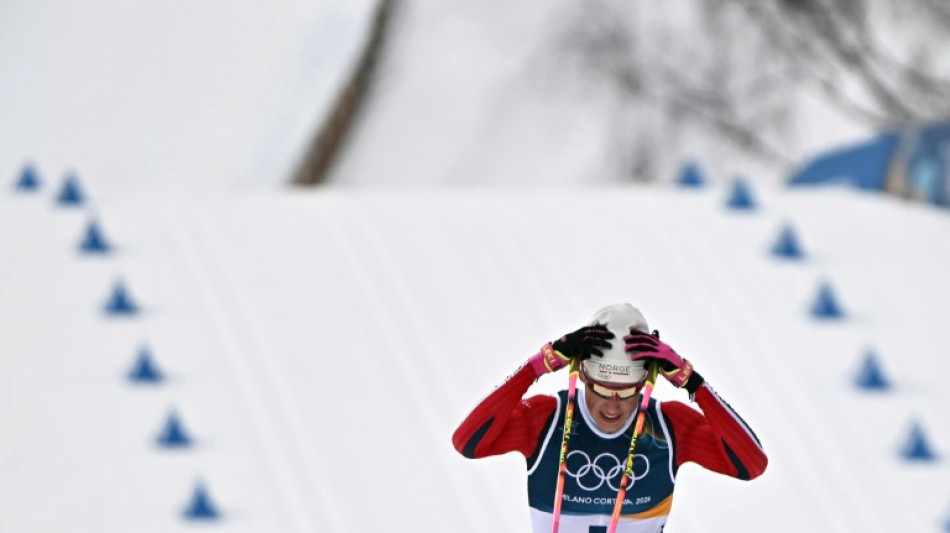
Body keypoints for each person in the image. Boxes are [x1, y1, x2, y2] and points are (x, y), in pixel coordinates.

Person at [452, 303, 767, 532]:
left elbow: (752, 464)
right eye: (602, 390)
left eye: (627, 392)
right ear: (581, 375)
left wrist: (694, 383)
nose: (613, 406)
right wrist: (537, 365)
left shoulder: (669, 428)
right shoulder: (546, 420)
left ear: (647, 382)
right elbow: (467, 442)